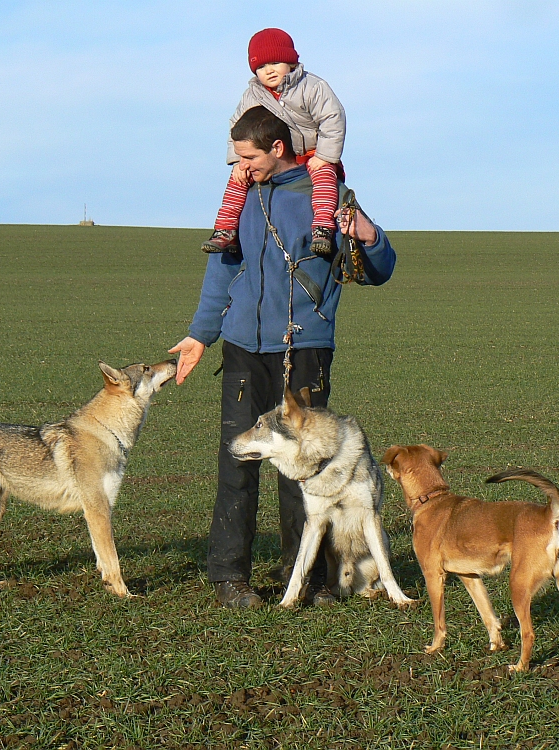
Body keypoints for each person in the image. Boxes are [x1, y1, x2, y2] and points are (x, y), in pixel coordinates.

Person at [170, 105, 396, 608]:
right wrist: (199, 335)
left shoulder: (327, 197)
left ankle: (310, 580)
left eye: (247, 156)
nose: (240, 166)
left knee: (306, 467)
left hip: (306, 349)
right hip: (243, 348)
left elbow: (381, 268)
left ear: (277, 148)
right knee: (239, 463)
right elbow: (222, 272)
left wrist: (369, 236)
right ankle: (230, 578)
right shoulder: (241, 200)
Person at [202, 28, 347, 259]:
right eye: (260, 67)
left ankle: (322, 228)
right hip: (275, 154)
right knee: (238, 178)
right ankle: (226, 229)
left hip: (311, 151)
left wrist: (325, 155)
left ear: (291, 61)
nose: (268, 71)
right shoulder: (253, 95)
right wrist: (238, 160)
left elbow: (332, 118)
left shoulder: (312, 87)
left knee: (324, 179)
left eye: (276, 62)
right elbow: (237, 127)